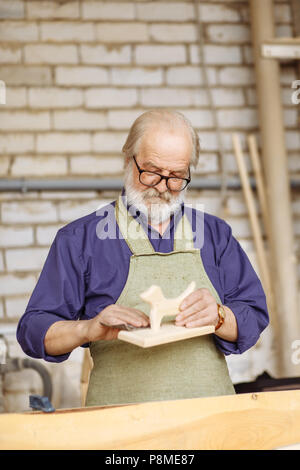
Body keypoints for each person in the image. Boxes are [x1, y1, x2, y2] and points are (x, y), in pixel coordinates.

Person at [17, 109, 269, 406]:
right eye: (151, 172)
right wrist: (88, 328)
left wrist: (220, 316)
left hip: (210, 424)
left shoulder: (214, 235)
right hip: (123, 430)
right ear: (128, 159)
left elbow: (254, 316)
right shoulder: (80, 240)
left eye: (176, 177)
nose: (162, 187)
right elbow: (33, 330)